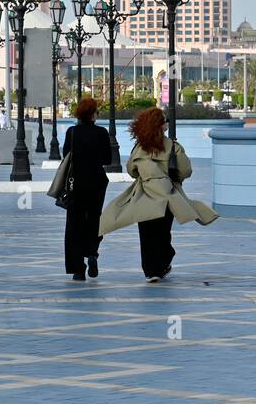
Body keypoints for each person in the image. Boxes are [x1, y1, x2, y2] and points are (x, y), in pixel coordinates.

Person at [99, 107, 218, 282]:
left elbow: (132, 170)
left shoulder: (139, 148)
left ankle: (150, 271)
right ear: (160, 126)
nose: (166, 124)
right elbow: (186, 170)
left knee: (146, 233)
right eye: (164, 122)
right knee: (163, 232)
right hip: (168, 195)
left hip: (144, 194)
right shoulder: (173, 146)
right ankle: (163, 263)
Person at [62, 98, 111, 281]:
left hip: (76, 183)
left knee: (74, 223)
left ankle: (78, 269)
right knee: (94, 219)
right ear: (93, 114)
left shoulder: (72, 132)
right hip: (96, 182)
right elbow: (107, 159)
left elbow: (66, 156)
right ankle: (92, 252)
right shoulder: (101, 132)